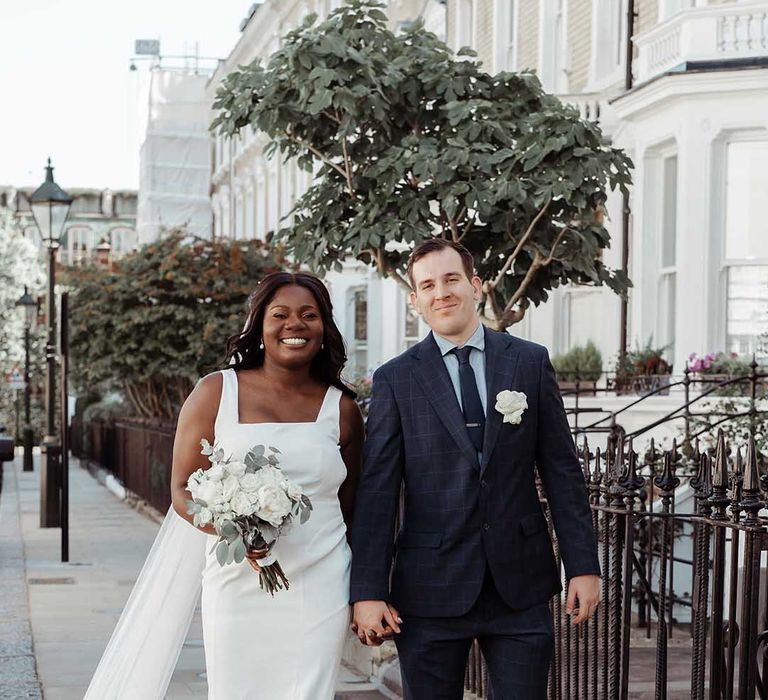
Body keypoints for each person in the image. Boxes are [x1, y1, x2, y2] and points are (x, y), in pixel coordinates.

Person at [85, 271, 363, 700]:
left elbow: (347, 505)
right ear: (260, 324)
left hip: (321, 582)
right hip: (237, 581)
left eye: (309, 315)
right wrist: (235, 530)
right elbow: (182, 489)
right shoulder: (216, 392)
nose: (295, 324)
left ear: (324, 328)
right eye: (281, 314)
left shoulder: (342, 409)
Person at [350, 238, 600, 699]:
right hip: (428, 589)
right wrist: (367, 591)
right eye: (428, 285)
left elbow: (563, 472)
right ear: (416, 301)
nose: (441, 292)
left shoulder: (528, 361)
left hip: (519, 586)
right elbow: (378, 493)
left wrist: (583, 566)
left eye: (451, 280)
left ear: (475, 286)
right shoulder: (395, 379)